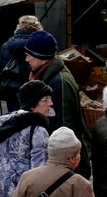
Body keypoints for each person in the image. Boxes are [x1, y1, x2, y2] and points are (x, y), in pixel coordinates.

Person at [23, 30, 91, 177]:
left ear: (41, 56)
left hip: (65, 161)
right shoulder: (46, 74)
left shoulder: (58, 82)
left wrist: (59, 164)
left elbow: (63, 124)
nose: (26, 59)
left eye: (29, 55)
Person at [0, 81, 52, 197]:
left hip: (4, 196)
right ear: (32, 104)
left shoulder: (1, 126)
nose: (50, 103)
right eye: (44, 99)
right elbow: (40, 176)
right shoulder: (38, 131)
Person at [0, 15, 42, 111]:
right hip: (33, 92)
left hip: (12, 92)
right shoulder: (39, 44)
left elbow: (0, 70)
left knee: (16, 119)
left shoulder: (6, 46)